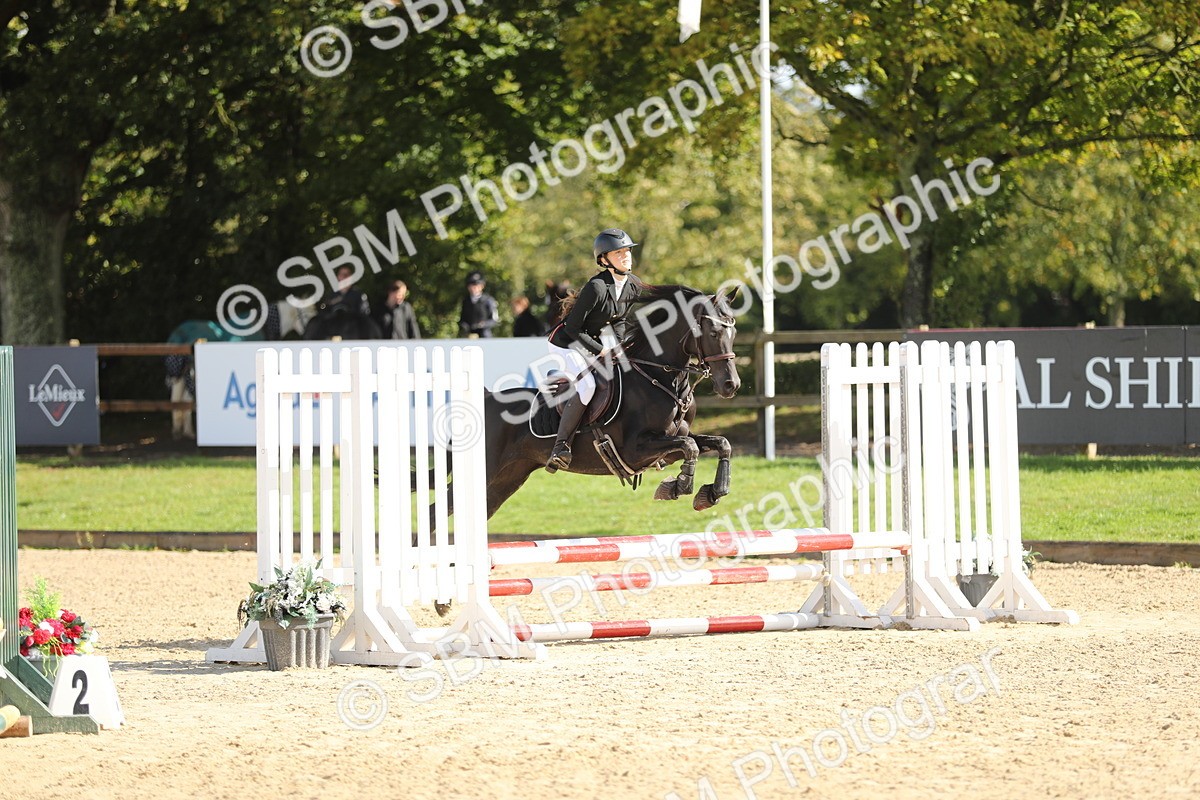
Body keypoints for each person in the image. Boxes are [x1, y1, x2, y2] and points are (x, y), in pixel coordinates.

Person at [544, 227, 643, 472]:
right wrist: (600, 351)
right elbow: (572, 327)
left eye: (627, 251)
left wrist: (619, 348)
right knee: (587, 385)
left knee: (626, 374)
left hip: (592, 342)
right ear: (604, 259)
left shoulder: (633, 285)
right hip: (566, 344)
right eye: (618, 253)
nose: (626, 256)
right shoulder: (597, 287)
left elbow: (619, 319)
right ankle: (561, 447)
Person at [458, 271, 499, 338]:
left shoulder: (488, 300)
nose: (474, 288)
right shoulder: (466, 301)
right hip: (469, 336)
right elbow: (462, 318)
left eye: (476, 285)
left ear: (482, 286)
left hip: (484, 336)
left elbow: (494, 320)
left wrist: (483, 325)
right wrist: (465, 326)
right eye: (471, 285)